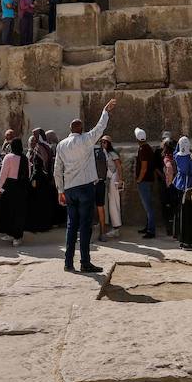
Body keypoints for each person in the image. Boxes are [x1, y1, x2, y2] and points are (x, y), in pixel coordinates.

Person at [53, 98, 117, 273]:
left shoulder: (61, 145)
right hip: (85, 188)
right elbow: (100, 127)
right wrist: (105, 111)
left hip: (70, 189)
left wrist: (60, 190)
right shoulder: (86, 140)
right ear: (81, 130)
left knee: (71, 226)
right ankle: (85, 262)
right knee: (85, 226)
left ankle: (68, 262)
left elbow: (57, 170)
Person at [0, 137, 28, 245]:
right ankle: (17, 237)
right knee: (19, 212)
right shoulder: (25, 158)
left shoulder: (8, 157)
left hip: (9, 187)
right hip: (21, 188)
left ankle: (10, 233)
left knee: (8, 210)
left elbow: (3, 175)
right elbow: (28, 173)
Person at [133, 128, 159, 238]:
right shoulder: (147, 147)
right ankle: (148, 226)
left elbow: (144, 167)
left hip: (144, 181)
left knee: (148, 207)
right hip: (149, 180)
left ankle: (151, 231)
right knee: (148, 206)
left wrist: (139, 179)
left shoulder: (143, 149)